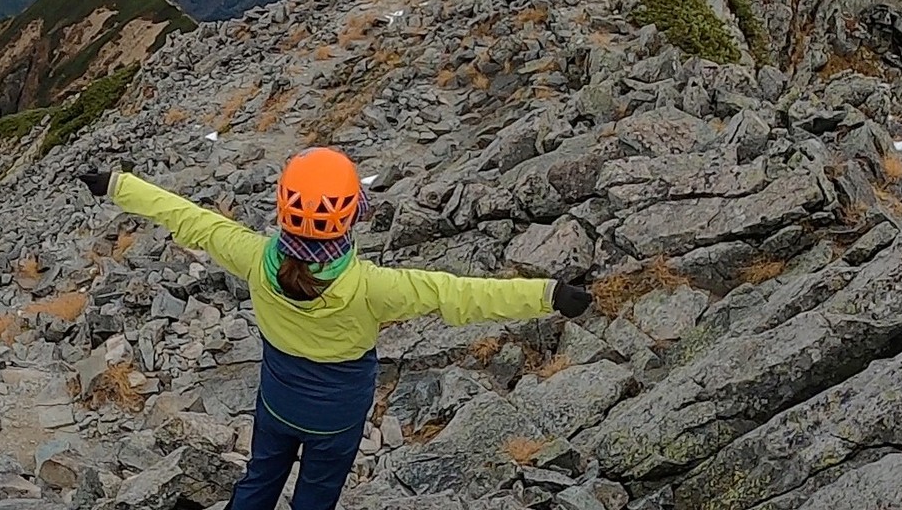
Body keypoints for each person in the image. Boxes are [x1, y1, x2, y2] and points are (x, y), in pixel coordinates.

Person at [77, 147, 592, 510]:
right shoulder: (374, 287)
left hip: (277, 402)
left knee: (259, 481)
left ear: (283, 207)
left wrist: (117, 185)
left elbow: (188, 218)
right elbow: (459, 294)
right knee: (315, 499)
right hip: (338, 419)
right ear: (347, 218)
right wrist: (547, 294)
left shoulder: (255, 260)